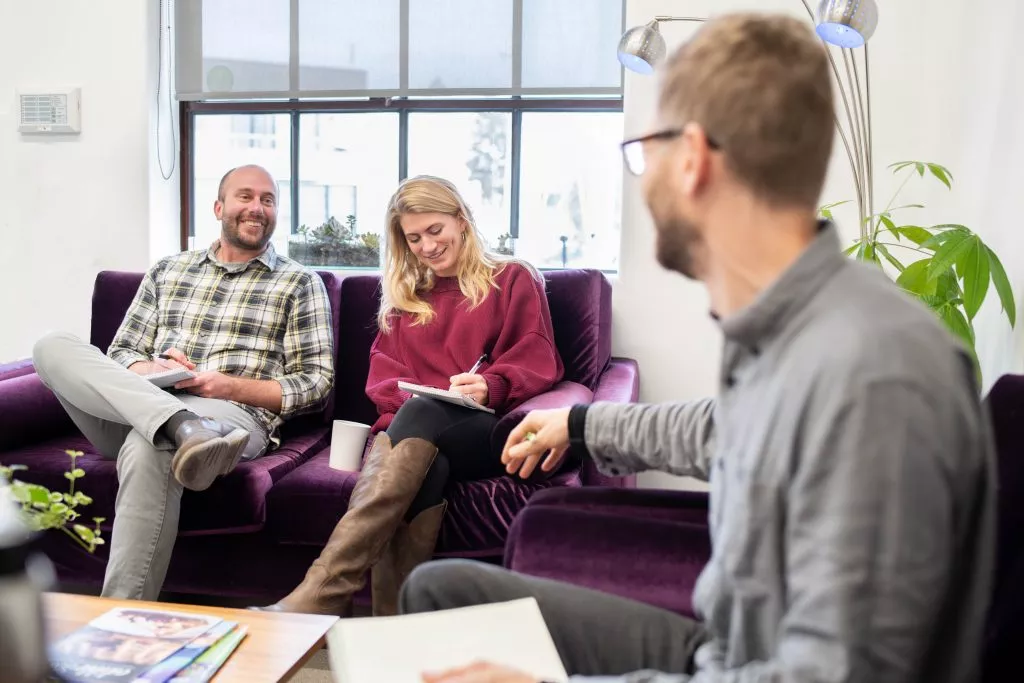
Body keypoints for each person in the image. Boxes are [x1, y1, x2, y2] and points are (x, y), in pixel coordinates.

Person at [398, 13, 996, 683]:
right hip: (727, 647)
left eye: (642, 152)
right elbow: (728, 428)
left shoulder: (873, 371)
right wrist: (579, 422)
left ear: (693, 161)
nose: (641, 174)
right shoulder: (783, 326)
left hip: (756, 669)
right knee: (440, 593)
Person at [257, 175, 564, 616]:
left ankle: (320, 593)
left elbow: (539, 359)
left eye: (435, 231)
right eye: (414, 238)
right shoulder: (405, 297)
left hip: (488, 431)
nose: (427, 246)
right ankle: (395, 631)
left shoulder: (512, 278)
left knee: (424, 413)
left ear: (461, 221)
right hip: (417, 440)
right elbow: (383, 381)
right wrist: (425, 403)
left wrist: (490, 385)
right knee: (427, 463)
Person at [31, 164, 335, 602]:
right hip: (142, 401)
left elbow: (316, 383)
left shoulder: (300, 283)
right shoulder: (167, 271)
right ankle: (179, 425)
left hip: (229, 417)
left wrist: (225, 386)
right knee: (51, 345)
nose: (257, 208)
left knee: (147, 445)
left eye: (268, 200)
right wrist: (150, 371)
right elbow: (120, 354)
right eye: (245, 196)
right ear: (218, 207)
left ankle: (119, 622)